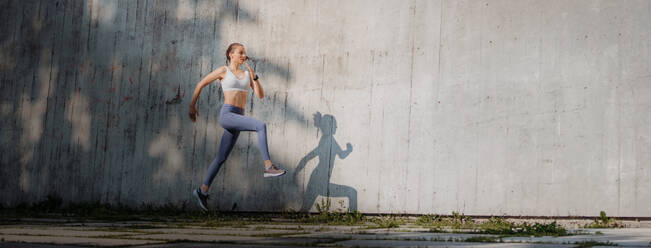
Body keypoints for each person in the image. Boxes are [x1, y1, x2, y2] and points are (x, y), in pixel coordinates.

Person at [189, 42, 286, 211]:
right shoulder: (223, 71)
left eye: (244, 53)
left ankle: (202, 191)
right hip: (228, 115)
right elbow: (200, 84)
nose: (243, 55)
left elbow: (260, 95)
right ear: (231, 55)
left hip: (238, 116)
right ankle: (269, 166)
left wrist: (254, 77)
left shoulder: (247, 74)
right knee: (260, 125)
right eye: (240, 52)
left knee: (221, 158)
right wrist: (192, 105)